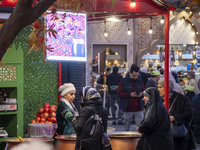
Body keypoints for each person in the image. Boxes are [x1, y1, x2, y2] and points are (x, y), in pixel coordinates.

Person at [158, 79, 196, 150]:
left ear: (167, 87)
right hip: (164, 137)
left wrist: (174, 118)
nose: (158, 89)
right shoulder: (159, 100)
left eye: (160, 87)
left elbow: (189, 114)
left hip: (180, 138)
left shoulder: (181, 99)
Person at [117, 64, 145, 131]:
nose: (135, 77)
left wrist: (141, 94)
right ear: (130, 73)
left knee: (141, 129)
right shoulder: (123, 81)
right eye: (134, 75)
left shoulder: (140, 81)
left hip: (139, 108)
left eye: (137, 76)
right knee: (126, 129)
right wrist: (129, 95)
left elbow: (144, 91)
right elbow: (119, 93)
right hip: (127, 109)